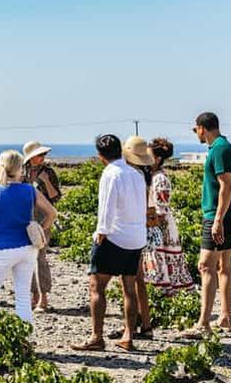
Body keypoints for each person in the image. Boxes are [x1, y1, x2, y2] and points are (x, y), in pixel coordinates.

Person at [71, 134, 146, 352]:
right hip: (136, 237)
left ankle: (97, 336)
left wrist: (101, 232)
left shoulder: (110, 174)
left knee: (97, 287)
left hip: (115, 236)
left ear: (100, 155)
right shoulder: (136, 173)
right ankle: (128, 336)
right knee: (129, 287)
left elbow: (107, 205)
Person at [182, 113, 231, 338]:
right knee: (223, 265)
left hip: (219, 215)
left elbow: (226, 185)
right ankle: (225, 317)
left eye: (195, 129)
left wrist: (217, 219)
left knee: (205, 266)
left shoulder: (218, 149)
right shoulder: (223, 147)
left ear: (201, 128)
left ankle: (203, 324)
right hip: (230, 213)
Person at [0, 150, 57, 324]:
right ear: (20, 168)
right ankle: (24, 340)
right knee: (22, 298)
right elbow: (52, 213)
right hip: (27, 249)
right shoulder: (29, 190)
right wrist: (40, 229)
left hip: (1, 249)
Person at [108, 136, 156, 341]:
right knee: (138, 281)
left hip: (131, 232)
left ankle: (133, 326)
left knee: (130, 282)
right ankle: (144, 324)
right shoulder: (143, 175)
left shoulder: (129, 176)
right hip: (141, 232)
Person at [141, 138, 195, 294]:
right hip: (155, 223)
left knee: (161, 257)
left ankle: (166, 293)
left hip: (159, 225)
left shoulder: (160, 179)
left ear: (157, 159)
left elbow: (161, 208)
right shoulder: (153, 177)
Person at [22, 141, 62, 312]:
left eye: (43, 154)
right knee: (27, 257)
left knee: (40, 257)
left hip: (43, 217)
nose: (43, 158)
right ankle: (33, 295)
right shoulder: (21, 172)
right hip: (24, 217)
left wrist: (46, 181)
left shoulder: (48, 172)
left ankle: (43, 297)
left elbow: (55, 197)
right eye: (39, 155)